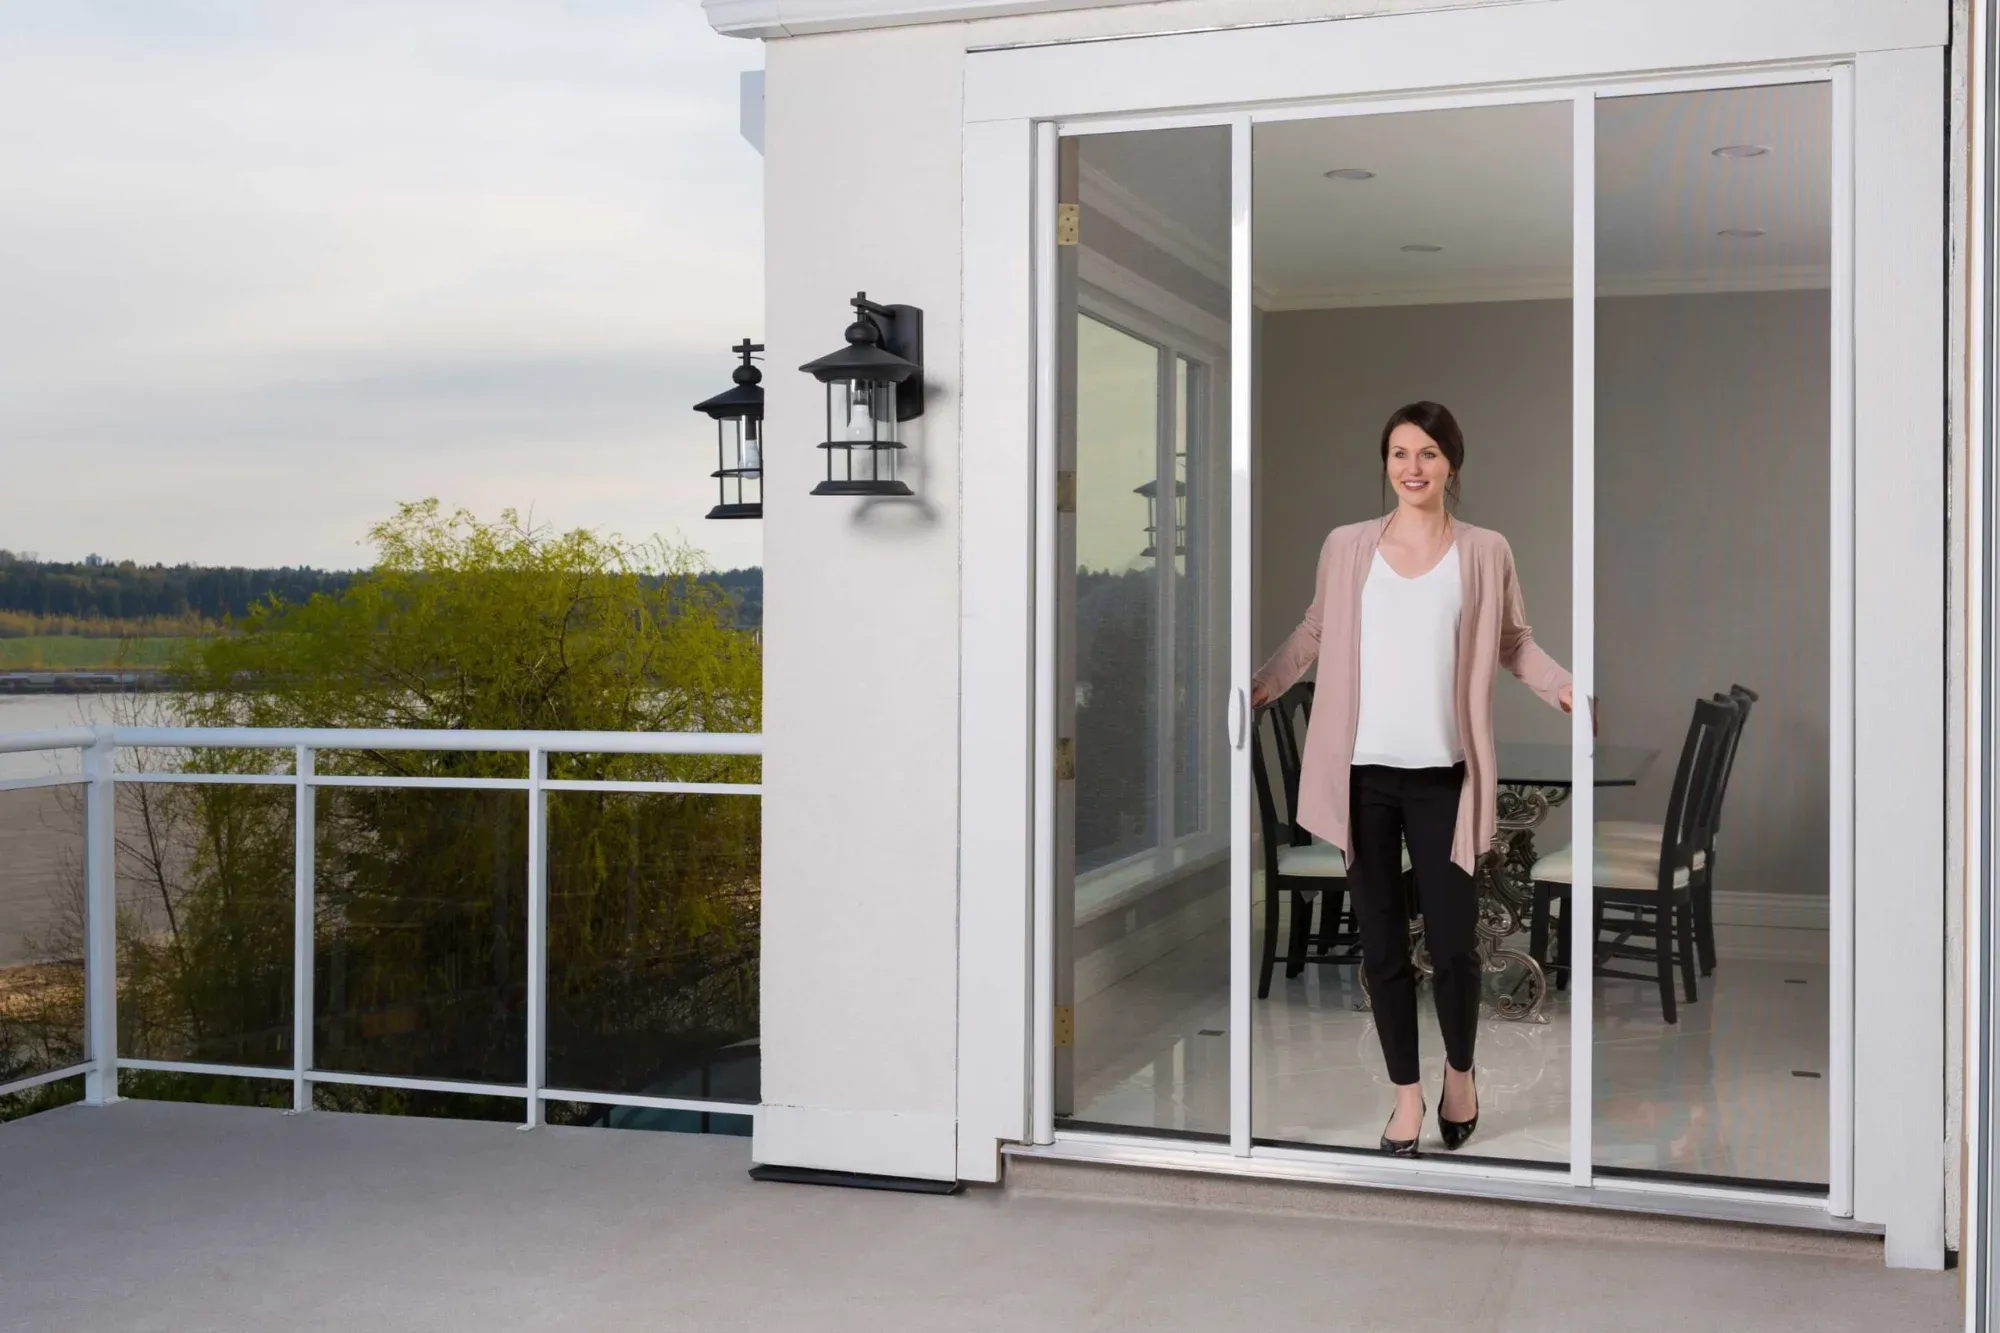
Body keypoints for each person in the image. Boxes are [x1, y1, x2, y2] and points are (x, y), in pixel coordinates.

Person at [1250, 401, 1580, 1156]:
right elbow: (1314, 630)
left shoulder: (1485, 550)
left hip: (1445, 778)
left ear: (1451, 463)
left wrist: (1563, 687)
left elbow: (1513, 642)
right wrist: (1260, 685)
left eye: (1427, 453)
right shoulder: (1347, 546)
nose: (1412, 467)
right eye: (1399, 452)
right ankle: (1406, 1096)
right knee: (1383, 949)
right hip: (1362, 776)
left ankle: (1459, 1074)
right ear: (1386, 462)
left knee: (1457, 944)